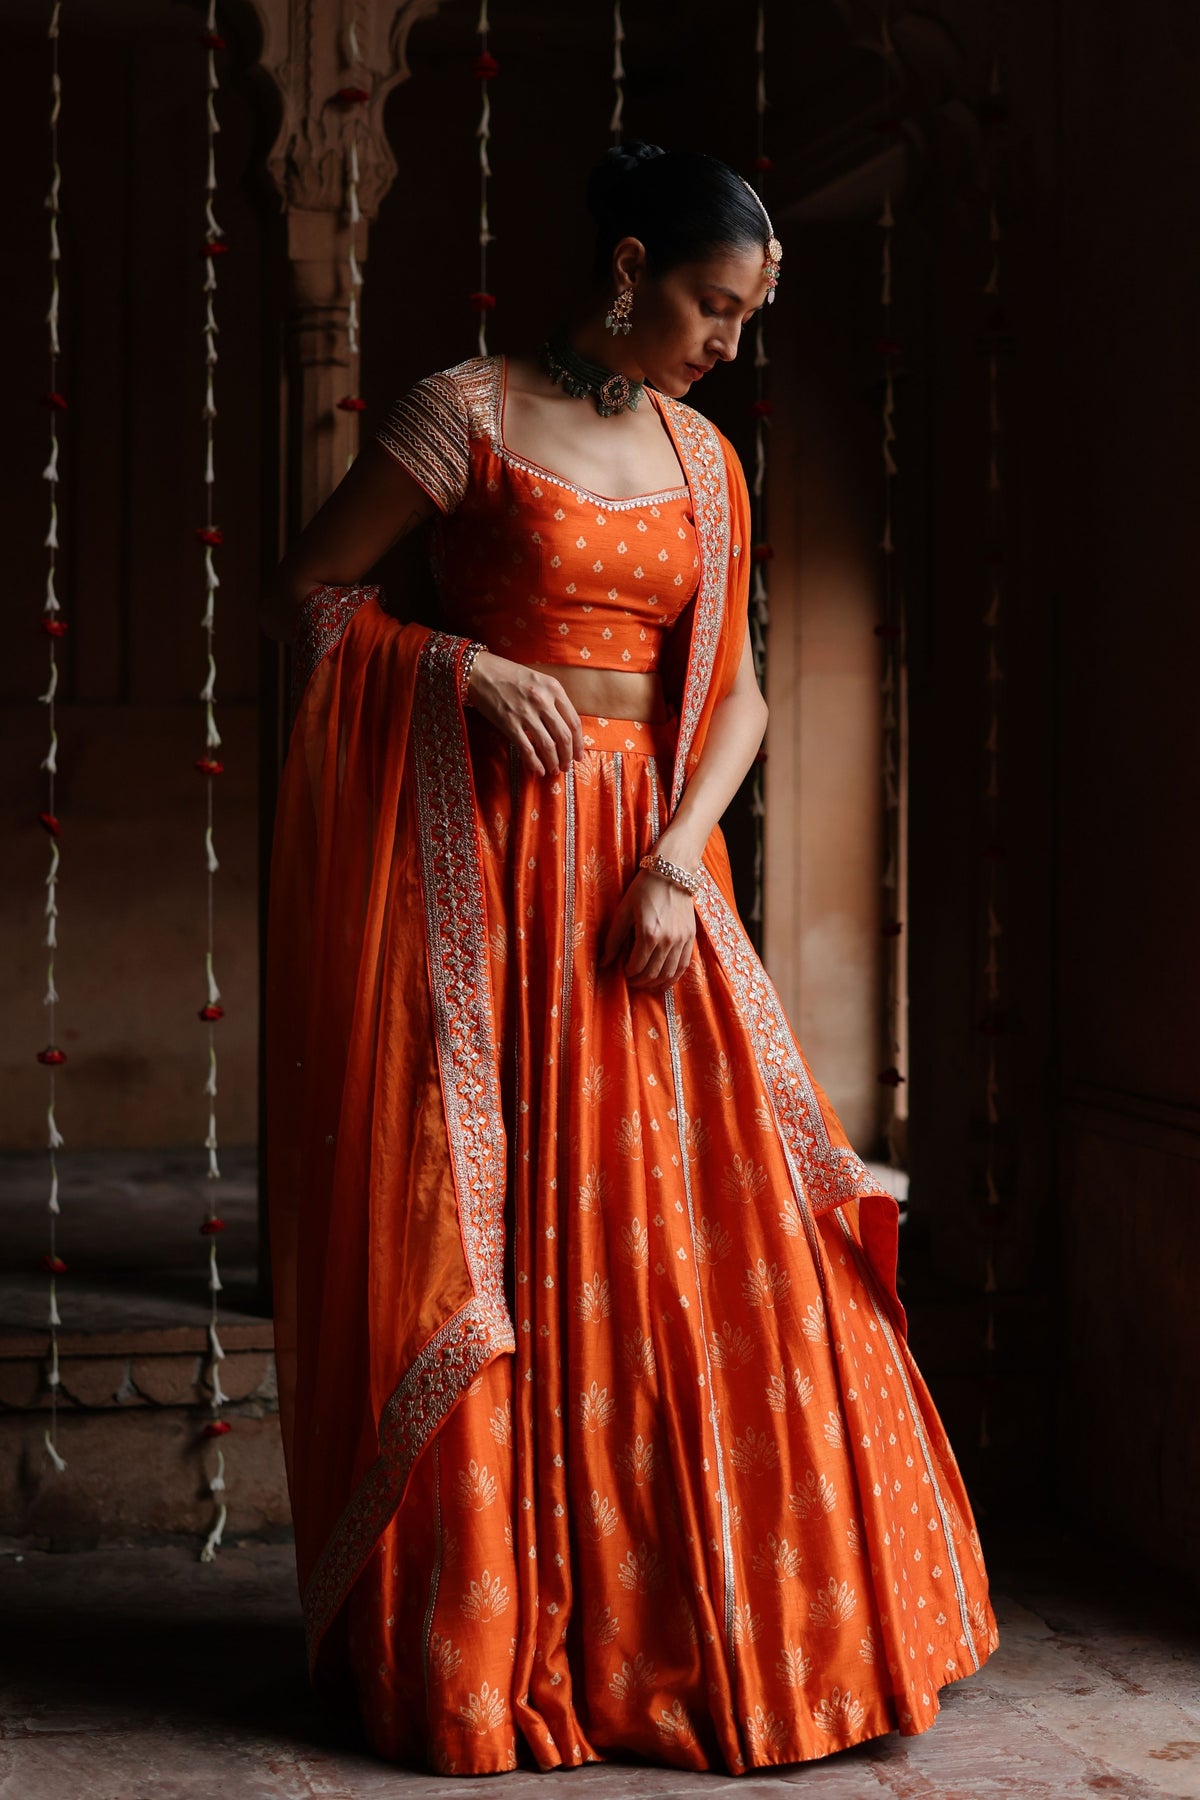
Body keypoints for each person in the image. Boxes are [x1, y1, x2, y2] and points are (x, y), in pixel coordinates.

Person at [260, 140, 999, 1778]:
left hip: (647, 893)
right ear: (628, 266)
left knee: (717, 1237)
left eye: (743, 317)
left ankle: (735, 1631)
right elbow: (312, 597)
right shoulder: (459, 414)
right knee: (511, 1236)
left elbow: (733, 691)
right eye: (711, 305)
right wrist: (450, 663)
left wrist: (680, 861)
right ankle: (508, 1640)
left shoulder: (704, 458)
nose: (726, 342)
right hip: (487, 884)